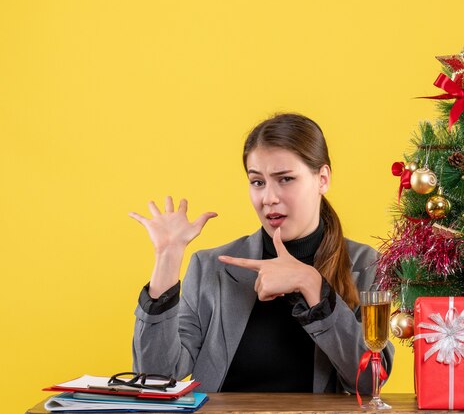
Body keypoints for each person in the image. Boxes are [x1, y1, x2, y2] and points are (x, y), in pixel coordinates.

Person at [129, 113, 394, 393]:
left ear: (322, 179)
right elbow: (156, 378)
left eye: (286, 179)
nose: (268, 198)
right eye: (258, 182)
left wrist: (311, 284)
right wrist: (167, 260)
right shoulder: (210, 267)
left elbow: (371, 381)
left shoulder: (367, 265)